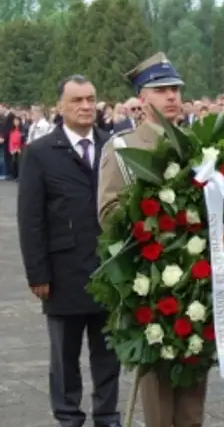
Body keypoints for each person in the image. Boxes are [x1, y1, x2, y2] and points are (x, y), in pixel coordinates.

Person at [97, 52, 209, 427]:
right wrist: (154, 219)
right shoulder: (123, 148)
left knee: (194, 381)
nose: (173, 96)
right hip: (151, 279)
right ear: (142, 99)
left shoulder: (197, 145)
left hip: (197, 278)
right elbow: (108, 212)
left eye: (176, 89)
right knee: (159, 392)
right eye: (162, 90)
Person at [18, 74, 121, 427]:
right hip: (63, 273)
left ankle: (107, 415)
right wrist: (37, 273)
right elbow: (31, 219)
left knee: (109, 352)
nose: (86, 106)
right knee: (64, 355)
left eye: (91, 99)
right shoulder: (41, 153)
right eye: (77, 100)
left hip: (109, 270)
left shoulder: (112, 147)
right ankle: (68, 417)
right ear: (60, 106)